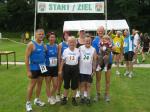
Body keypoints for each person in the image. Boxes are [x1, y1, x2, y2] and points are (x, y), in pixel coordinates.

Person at [25, 29, 46, 112]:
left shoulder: (42, 43)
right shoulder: (31, 44)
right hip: (34, 67)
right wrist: (28, 70)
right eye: (39, 34)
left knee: (40, 84)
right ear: (36, 35)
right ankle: (28, 103)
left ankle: (37, 100)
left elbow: (44, 51)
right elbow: (26, 57)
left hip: (42, 66)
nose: (41, 35)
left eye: (42, 34)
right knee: (32, 85)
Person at [92, 26, 113, 102]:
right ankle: (97, 94)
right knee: (98, 79)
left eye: (102, 30)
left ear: (104, 31)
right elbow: (94, 51)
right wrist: (99, 56)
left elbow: (112, 48)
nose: (100, 32)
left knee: (107, 80)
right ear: (97, 31)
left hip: (108, 61)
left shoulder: (109, 38)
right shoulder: (95, 40)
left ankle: (107, 95)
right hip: (99, 62)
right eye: (99, 31)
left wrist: (107, 54)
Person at [59, 36, 80, 106]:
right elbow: (63, 61)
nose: (72, 43)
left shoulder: (78, 50)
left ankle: (74, 99)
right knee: (66, 84)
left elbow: (79, 60)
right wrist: (60, 70)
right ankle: (65, 98)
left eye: (73, 42)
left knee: (74, 84)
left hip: (75, 68)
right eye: (70, 42)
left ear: (75, 43)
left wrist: (79, 69)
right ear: (68, 43)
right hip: (67, 68)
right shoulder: (65, 51)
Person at [79, 36, 97, 105]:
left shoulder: (93, 49)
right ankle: (82, 98)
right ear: (84, 41)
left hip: (89, 71)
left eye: (89, 41)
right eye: (86, 41)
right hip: (81, 70)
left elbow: (94, 60)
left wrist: (94, 70)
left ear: (91, 41)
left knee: (89, 85)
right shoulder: (80, 48)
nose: (88, 42)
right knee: (82, 85)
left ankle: (88, 98)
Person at [45, 32, 58, 105]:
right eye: (51, 37)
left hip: (55, 67)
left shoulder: (57, 46)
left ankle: (52, 95)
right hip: (47, 67)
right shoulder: (45, 46)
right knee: (48, 84)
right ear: (48, 38)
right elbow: (42, 57)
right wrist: (43, 69)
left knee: (55, 84)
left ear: (55, 38)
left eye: (53, 37)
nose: (52, 38)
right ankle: (49, 97)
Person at [57, 31, 70, 102]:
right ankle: (58, 94)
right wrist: (59, 68)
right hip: (62, 65)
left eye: (68, 35)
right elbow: (59, 57)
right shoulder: (61, 44)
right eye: (65, 35)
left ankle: (64, 95)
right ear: (63, 36)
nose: (67, 36)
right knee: (60, 80)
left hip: (69, 66)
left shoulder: (71, 43)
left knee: (66, 81)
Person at [76, 28, 86, 98]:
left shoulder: (87, 40)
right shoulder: (76, 40)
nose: (82, 33)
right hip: (77, 61)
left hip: (85, 61)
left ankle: (85, 91)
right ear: (78, 33)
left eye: (83, 32)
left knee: (85, 76)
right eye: (80, 32)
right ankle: (78, 91)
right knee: (78, 77)